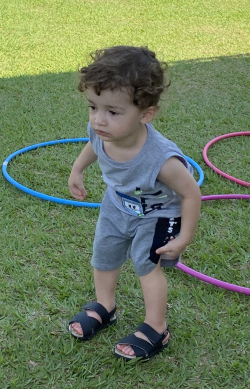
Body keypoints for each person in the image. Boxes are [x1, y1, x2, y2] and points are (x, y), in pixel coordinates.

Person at [67, 46, 201, 362]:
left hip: (158, 214)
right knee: (104, 255)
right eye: (93, 107)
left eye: (112, 112)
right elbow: (94, 144)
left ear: (146, 113)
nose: (99, 119)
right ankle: (105, 307)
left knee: (146, 265)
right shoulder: (101, 131)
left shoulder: (162, 159)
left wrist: (184, 238)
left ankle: (157, 328)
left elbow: (191, 193)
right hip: (117, 204)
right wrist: (77, 168)